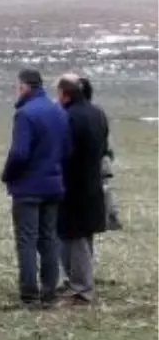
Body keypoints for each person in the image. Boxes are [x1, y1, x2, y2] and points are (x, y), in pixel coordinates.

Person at [1, 69, 71, 308]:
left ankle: (29, 293)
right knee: (49, 238)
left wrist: (8, 174)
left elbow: (19, 153)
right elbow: (67, 149)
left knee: (27, 241)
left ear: (23, 87)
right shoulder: (58, 111)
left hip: (28, 188)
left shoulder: (25, 114)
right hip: (53, 185)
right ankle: (49, 291)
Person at [56, 73, 109, 306]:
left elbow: (65, 152)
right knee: (83, 236)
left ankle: (81, 289)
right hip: (92, 183)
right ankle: (77, 281)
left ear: (65, 94)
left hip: (72, 185)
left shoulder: (70, 117)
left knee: (74, 237)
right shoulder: (98, 113)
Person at [79, 77, 122, 233]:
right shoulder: (98, 113)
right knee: (104, 189)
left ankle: (110, 216)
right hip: (102, 157)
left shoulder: (87, 114)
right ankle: (111, 216)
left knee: (101, 189)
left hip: (96, 158)